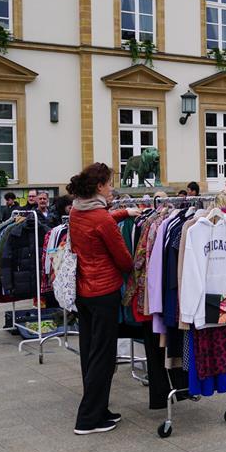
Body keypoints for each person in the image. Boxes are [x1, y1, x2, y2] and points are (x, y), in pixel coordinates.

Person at [67, 163, 140, 435]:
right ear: (99, 186)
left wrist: (126, 212)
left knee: (89, 351)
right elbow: (124, 259)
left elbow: (104, 220)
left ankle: (99, 409)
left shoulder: (77, 210)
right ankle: (88, 418)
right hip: (104, 291)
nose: (111, 188)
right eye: (109, 184)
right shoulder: (100, 218)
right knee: (103, 356)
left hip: (84, 291)